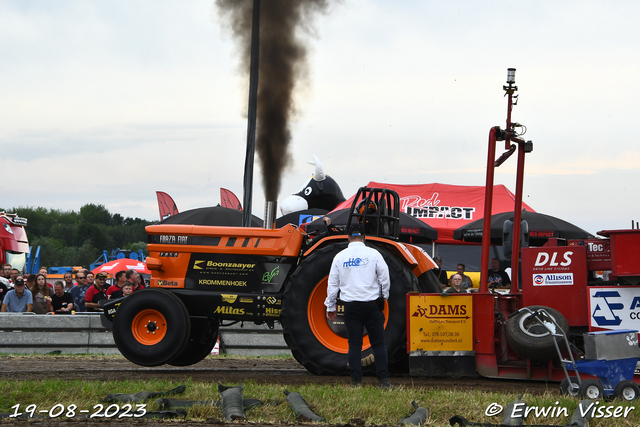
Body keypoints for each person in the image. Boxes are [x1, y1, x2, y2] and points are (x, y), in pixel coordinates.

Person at [324, 223, 393, 390]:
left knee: (354, 345)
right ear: (364, 238)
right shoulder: (374, 254)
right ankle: (383, 381)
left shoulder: (340, 257)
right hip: (371, 305)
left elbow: (333, 284)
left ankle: (356, 382)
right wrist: (383, 298)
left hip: (351, 306)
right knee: (378, 344)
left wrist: (330, 306)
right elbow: (385, 278)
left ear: (348, 238)